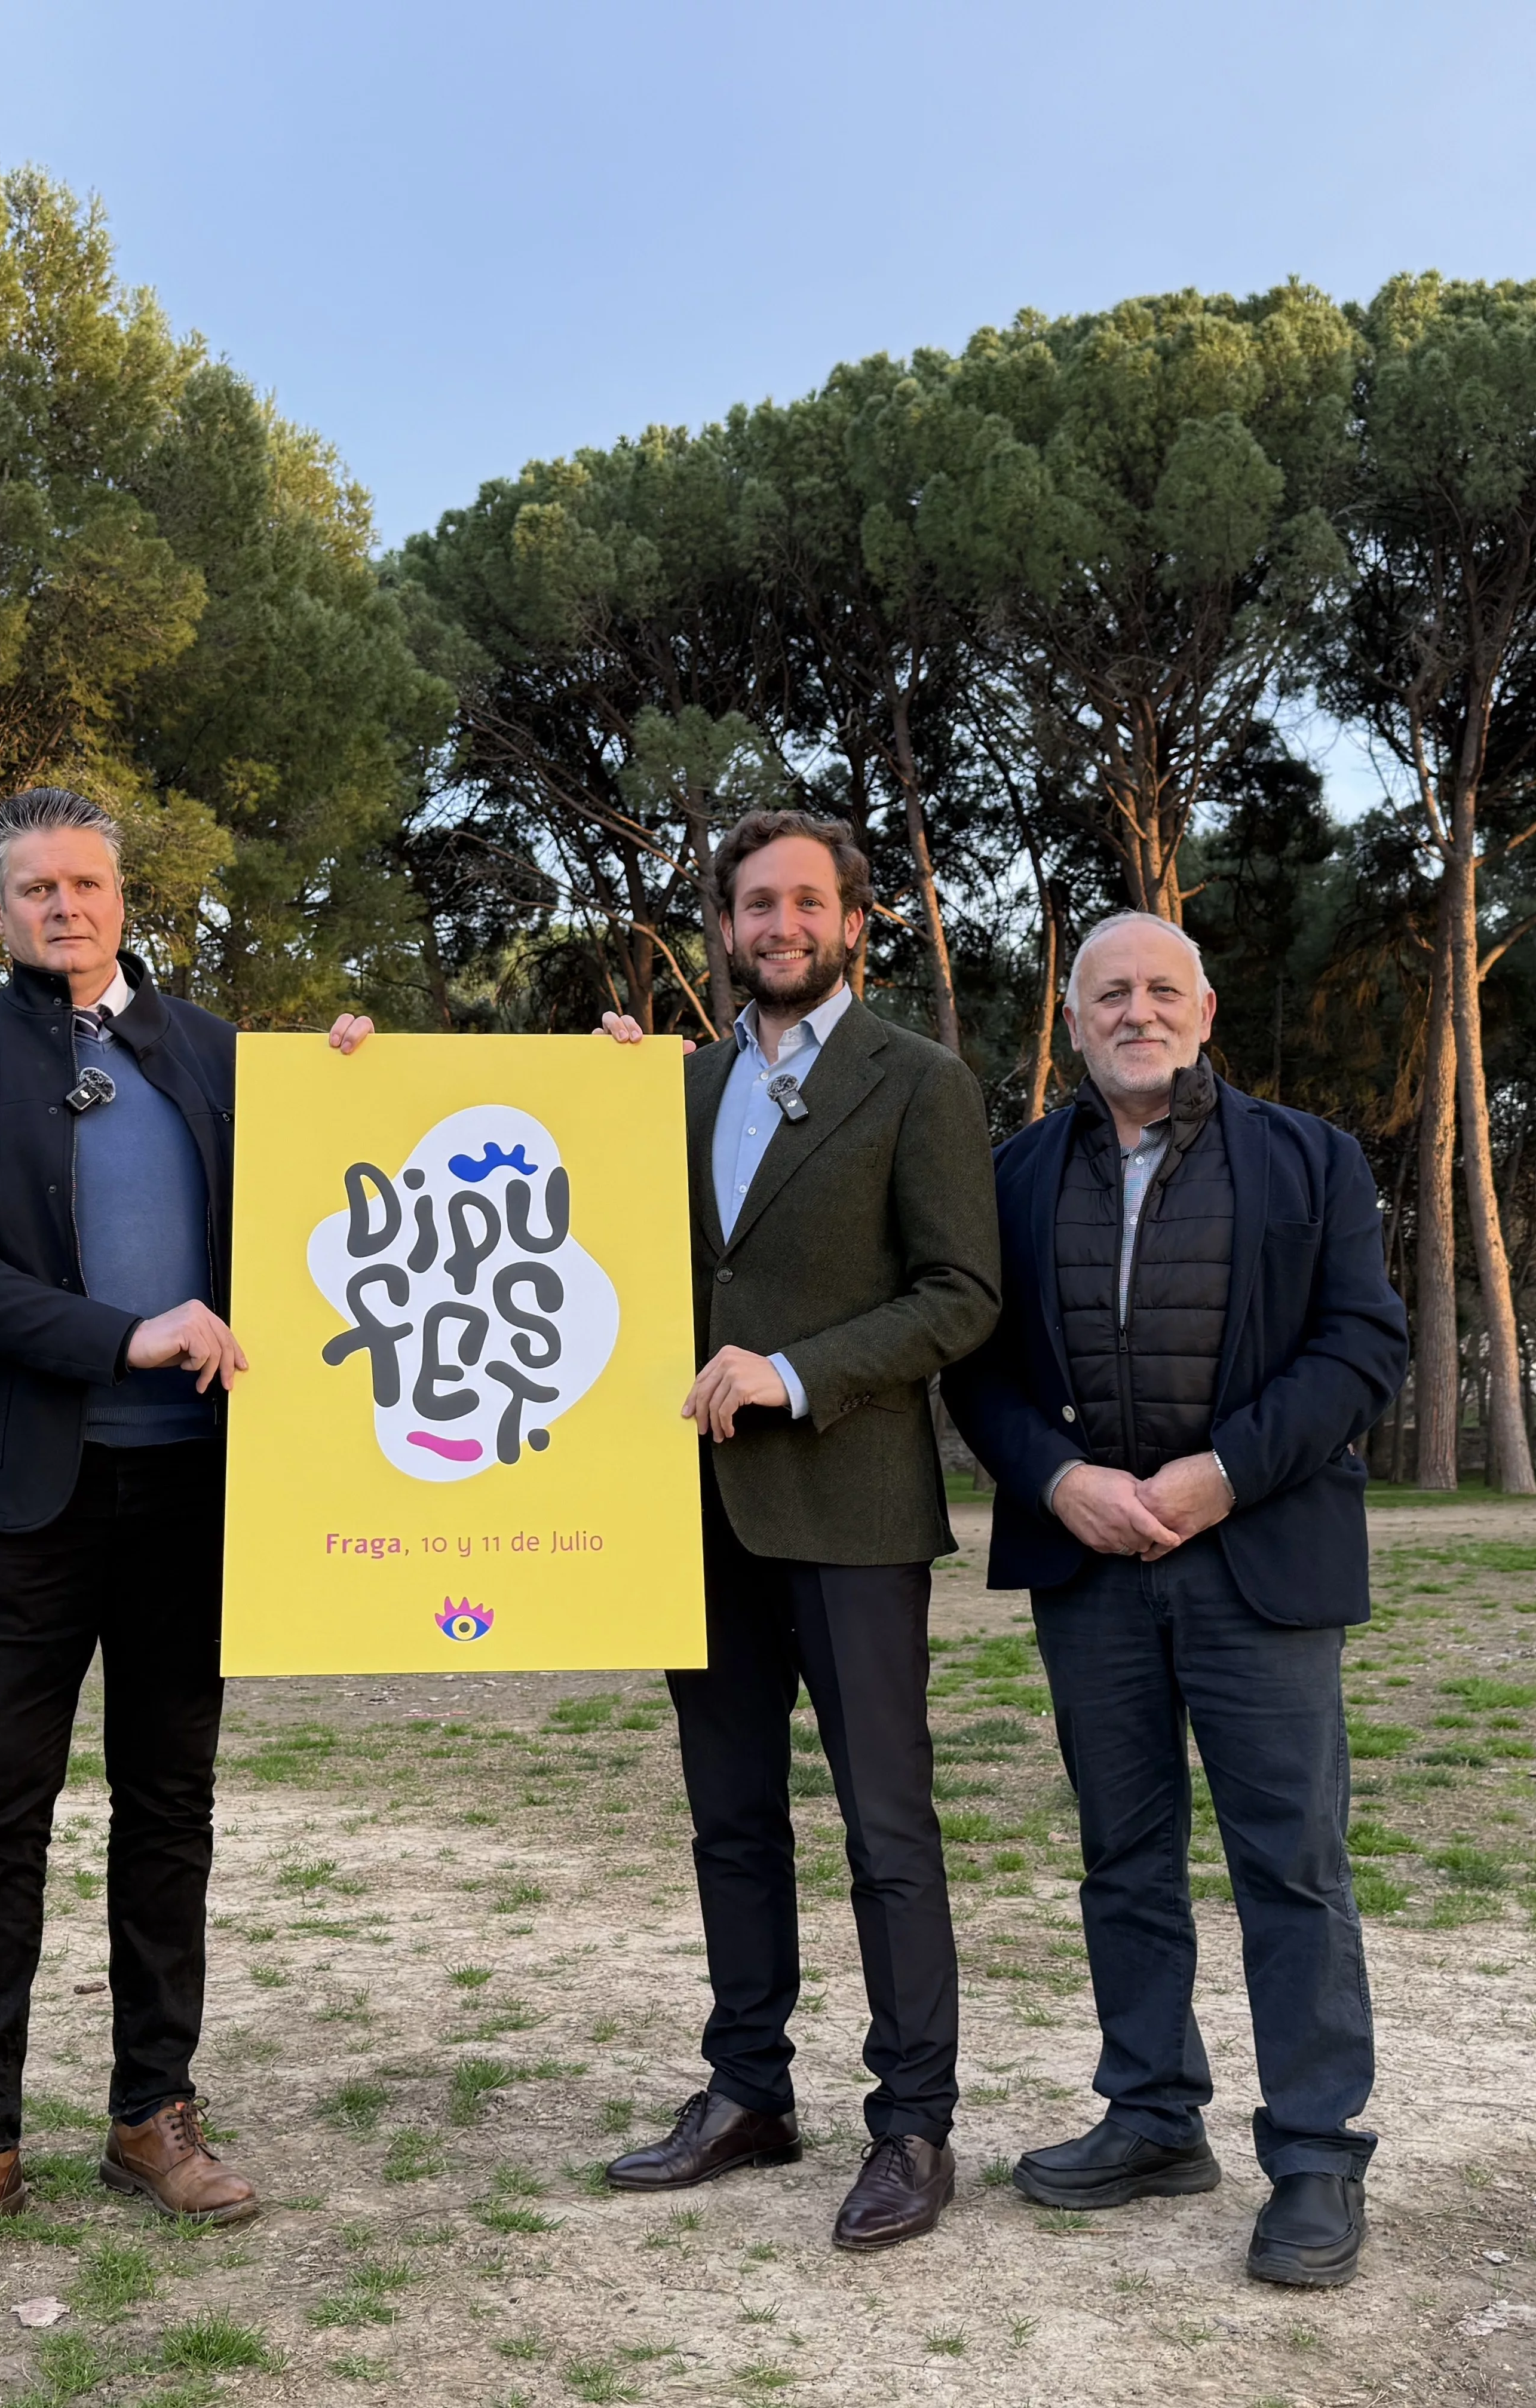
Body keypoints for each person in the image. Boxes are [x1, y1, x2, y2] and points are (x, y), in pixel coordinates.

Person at [940, 911, 1408, 2290]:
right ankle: (1151, 2115)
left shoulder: (1310, 1160)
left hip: (1253, 1561)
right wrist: (1057, 1476)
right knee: (1122, 1858)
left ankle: (1314, 2153)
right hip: (1090, 1566)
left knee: (1290, 1865)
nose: (1134, 1010)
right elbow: (972, 1367)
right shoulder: (1012, 1173)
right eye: (1106, 993)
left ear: (1202, 1011)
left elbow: (1359, 1344)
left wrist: (1220, 1473)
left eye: (1159, 989)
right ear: (1072, 1021)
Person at [586, 808, 1000, 2254]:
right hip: (690, 1518)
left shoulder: (919, 1081)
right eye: (751, 901)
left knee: (885, 1823)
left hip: (851, 1502)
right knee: (730, 1822)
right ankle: (747, 2089)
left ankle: (913, 2119)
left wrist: (795, 1370)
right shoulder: (678, 1084)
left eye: (803, 902)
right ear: (722, 925)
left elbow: (960, 1292)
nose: (777, 923)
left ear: (851, 923)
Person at [0, 785, 258, 2268]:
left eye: (86, 882)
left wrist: (361, 1078)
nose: (65, 907)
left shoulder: (217, 1053)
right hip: (18, 1495)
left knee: (169, 1809)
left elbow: (335, 1203)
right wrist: (124, 1336)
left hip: (194, 1495)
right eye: (34, 888)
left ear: (120, 891)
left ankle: (153, 2111)